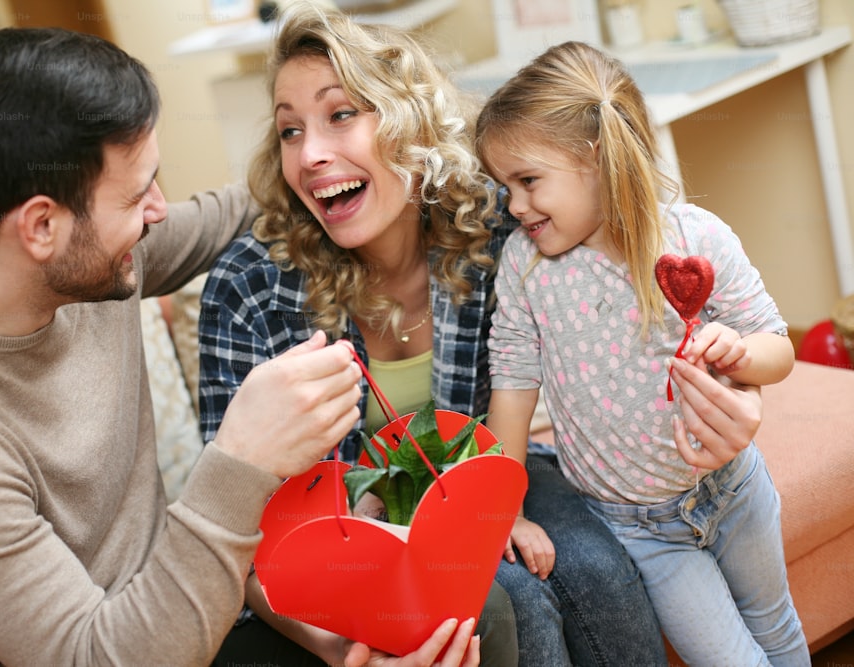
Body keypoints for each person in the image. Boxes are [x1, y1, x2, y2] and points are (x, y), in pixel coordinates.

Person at [0, 26, 481, 667]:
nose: (160, 212)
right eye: (137, 194)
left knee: (469, 619)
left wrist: (406, 151)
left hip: (187, 612)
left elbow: (258, 201)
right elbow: (97, 656)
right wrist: (242, 458)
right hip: (123, 651)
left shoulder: (74, 256)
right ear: (41, 225)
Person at [196, 6, 761, 666]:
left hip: (491, 468)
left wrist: (733, 394)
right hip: (361, 523)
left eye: (341, 114)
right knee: (512, 599)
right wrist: (342, 645)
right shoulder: (249, 286)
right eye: (289, 130)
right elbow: (238, 522)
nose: (311, 152)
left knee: (598, 572)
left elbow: (635, 299)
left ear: (410, 124)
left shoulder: (501, 226)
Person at [476, 40, 807, 665]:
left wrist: (738, 351)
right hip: (641, 530)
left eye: (528, 181)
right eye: (505, 186)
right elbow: (512, 393)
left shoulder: (698, 237)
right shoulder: (525, 268)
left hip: (736, 491)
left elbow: (778, 350)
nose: (514, 206)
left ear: (596, 159)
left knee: (779, 631)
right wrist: (506, 514)